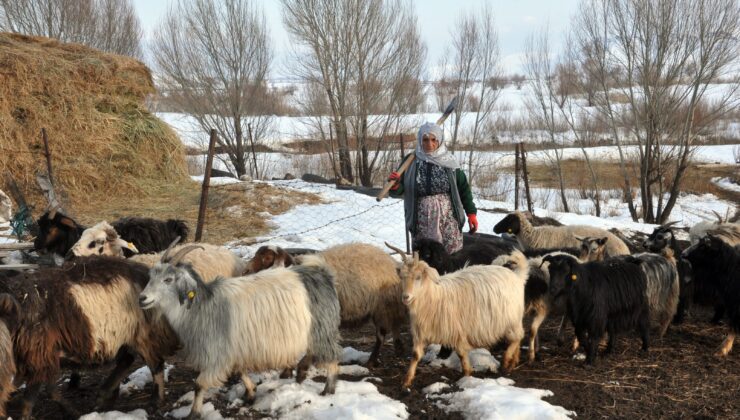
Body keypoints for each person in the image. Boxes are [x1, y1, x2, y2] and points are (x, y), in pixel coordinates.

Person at [388, 122, 478, 254]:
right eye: (425, 139)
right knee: (426, 255)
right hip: (422, 219)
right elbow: (400, 189)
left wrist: (471, 213)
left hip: (448, 217)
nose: (429, 144)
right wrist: (395, 185)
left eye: (433, 139)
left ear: (440, 141)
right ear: (420, 140)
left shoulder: (449, 162)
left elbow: (463, 188)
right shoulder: (411, 161)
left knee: (450, 255)